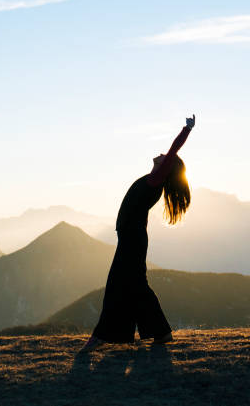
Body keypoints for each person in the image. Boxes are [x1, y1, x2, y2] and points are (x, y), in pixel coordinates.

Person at [82, 114, 196, 351]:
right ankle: (161, 332)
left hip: (132, 239)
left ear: (167, 169)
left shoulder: (155, 181)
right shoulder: (153, 181)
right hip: (132, 237)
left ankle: (102, 335)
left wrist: (186, 130)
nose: (163, 155)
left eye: (166, 158)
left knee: (117, 284)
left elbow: (173, 150)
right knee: (135, 285)